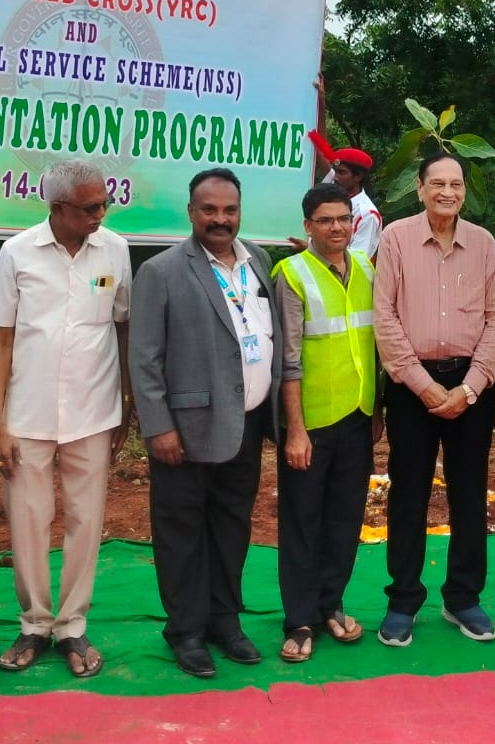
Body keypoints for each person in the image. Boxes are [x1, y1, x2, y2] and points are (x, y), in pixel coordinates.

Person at [0, 160, 131, 681]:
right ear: (57, 208)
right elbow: (0, 337)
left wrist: (126, 401)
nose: (100, 214)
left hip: (94, 410)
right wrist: (0, 422)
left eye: (103, 204)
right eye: (90, 207)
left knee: (87, 522)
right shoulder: (17, 252)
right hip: (27, 413)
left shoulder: (115, 248)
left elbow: (122, 325)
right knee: (27, 520)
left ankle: (72, 625)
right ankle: (34, 624)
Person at [132, 168, 285, 679]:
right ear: (191, 212)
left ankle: (225, 620)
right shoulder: (162, 271)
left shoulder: (257, 261)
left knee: (231, 527)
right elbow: (145, 359)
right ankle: (186, 631)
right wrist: (159, 428)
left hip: (245, 425)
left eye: (230, 210)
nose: (221, 220)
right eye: (210, 210)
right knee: (181, 532)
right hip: (187, 431)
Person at [373, 153, 495, 647]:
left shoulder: (484, 244)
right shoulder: (397, 239)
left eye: (456, 184)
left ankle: (463, 598)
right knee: (408, 495)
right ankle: (403, 600)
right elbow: (383, 314)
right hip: (413, 389)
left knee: (469, 494)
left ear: (464, 191)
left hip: (470, 386)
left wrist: (471, 388)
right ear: (421, 188)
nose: (447, 192)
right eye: (437, 184)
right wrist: (422, 384)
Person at [273, 182, 380, 663]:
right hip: (311, 423)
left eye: (343, 219)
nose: (336, 228)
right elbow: (288, 361)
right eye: (325, 220)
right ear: (308, 226)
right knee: (302, 520)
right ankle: (298, 618)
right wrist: (294, 429)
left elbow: (374, 344)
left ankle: (330, 604)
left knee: (344, 518)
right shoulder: (291, 274)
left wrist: (376, 411)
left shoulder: (366, 269)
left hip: (357, 416)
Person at [304, 131, 381, 258]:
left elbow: (358, 260)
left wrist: (309, 248)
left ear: (357, 177)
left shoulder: (367, 214)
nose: (336, 177)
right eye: (335, 171)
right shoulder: (334, 188)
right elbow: (321, 151)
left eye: (342, 172)